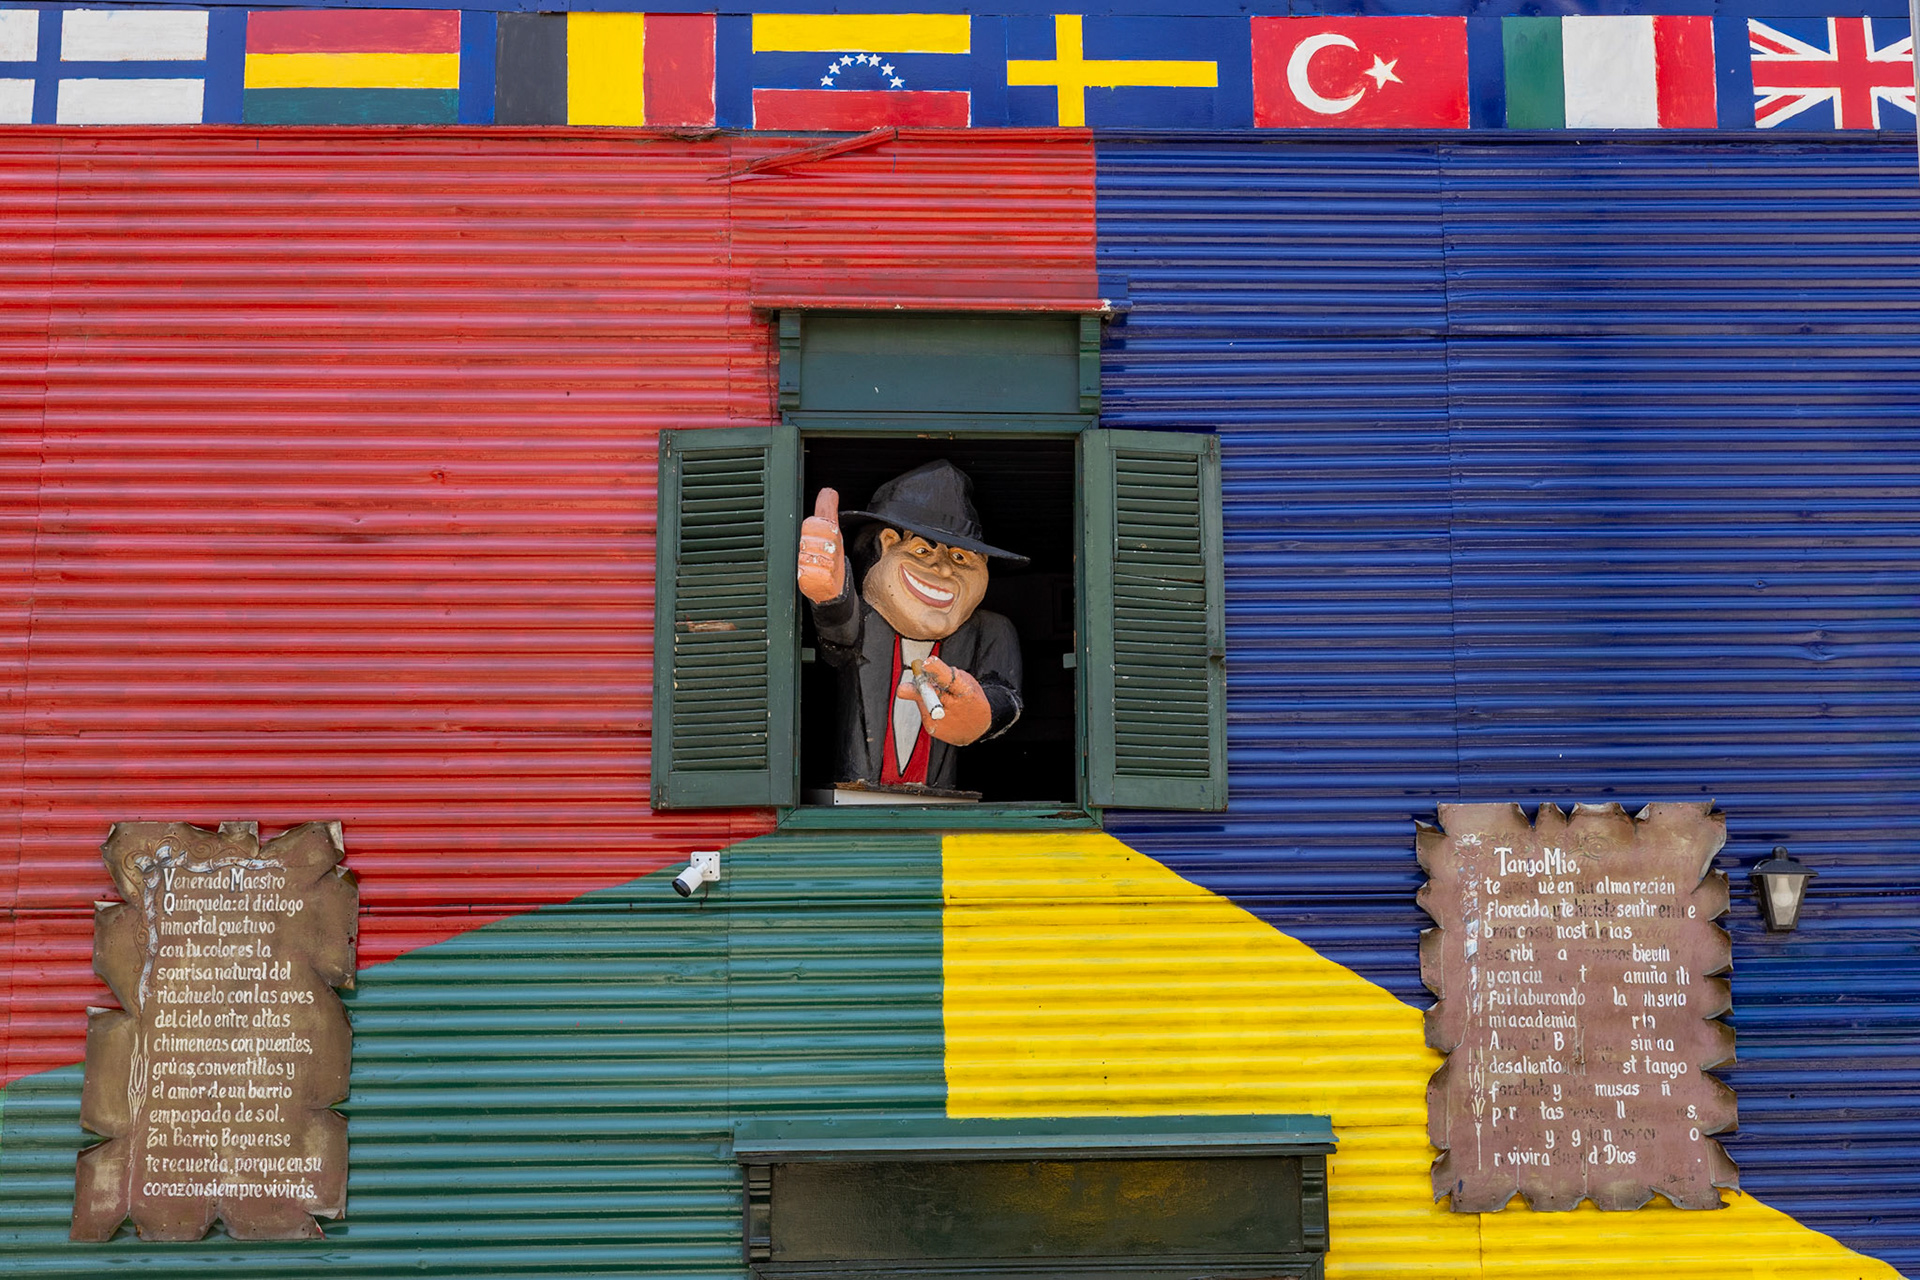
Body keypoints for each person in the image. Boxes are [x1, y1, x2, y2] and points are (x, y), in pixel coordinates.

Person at [796, 460, 1024, 794]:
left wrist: (984, 713)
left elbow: (1005, 693)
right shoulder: (866, 621)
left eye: (961, 558)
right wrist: (829, 597)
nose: (943, 570)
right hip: (856, 800)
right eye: (922, 551)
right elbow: (838, 631)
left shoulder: (989, 631)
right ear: (888, 543)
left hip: (939, 800)